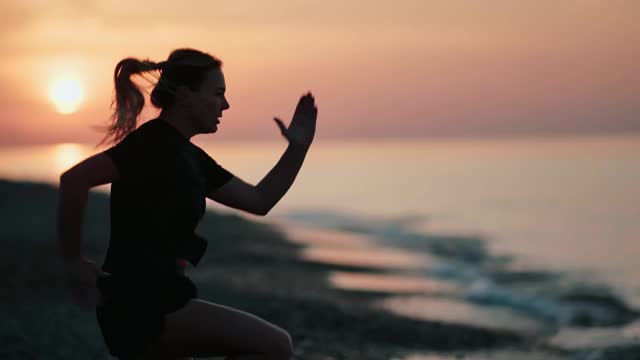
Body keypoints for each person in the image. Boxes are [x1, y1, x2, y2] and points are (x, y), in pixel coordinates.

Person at [56, 48, 317, 360]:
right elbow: (74, 180)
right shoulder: (151, 144)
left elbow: (260, 201)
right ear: (185, 94)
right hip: (140, 305)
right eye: (217, 93)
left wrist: (298, 148)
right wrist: (72, 262)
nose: (225, 104)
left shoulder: (192, 158)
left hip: (165, 297)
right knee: (276, 346)